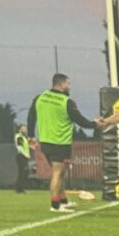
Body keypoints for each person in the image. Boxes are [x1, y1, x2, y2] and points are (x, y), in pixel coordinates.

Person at [26, 71, 112, 211]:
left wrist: (30, 135)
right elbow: (80, 121)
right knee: (57, 174)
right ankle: (55, 205)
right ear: (62, 84)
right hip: (60, 142)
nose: (69, 86)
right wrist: (95, 124)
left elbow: (31, 117)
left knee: (60, 173)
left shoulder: (40, 98)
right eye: (68, 83)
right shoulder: (67, 102)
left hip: (45, 141)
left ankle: (63, 201)